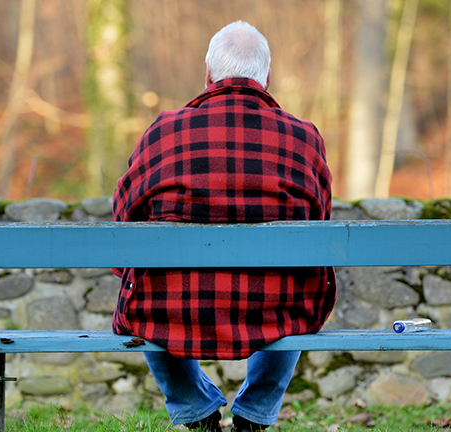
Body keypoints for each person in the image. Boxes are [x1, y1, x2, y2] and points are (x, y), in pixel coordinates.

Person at [111, 21, 336, 432]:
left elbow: (123, 222)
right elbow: (319, 226)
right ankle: (253, 414)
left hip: (172, 308)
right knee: (298, 282)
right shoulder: (304, 138)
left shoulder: (163, 132)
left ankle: (197, 412)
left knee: (145, 293)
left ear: (208, 74)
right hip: (277, 306)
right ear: (267, 78)